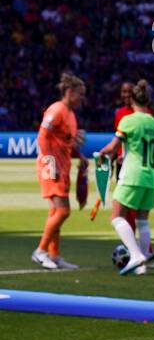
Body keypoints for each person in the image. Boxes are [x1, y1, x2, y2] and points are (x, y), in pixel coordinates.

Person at [96, 80, 154, 276]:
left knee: (117, 216)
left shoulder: (128, 120)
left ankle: (135, 256)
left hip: (132, 173)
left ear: (132, 99)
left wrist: (101, 154)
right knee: (142, 220)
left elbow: (113, 148)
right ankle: (141, 264)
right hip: (150, 176)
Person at [33, 72, 86, 270]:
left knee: (56, 212)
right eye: (80, 94)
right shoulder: (56, 110)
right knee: (63, 211)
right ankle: (40, 251)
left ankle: (54, 255)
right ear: (69, 92)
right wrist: (49, 163)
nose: (82, 99)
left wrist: (80, 157)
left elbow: (64, 143)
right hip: (51, 167)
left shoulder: (71, 114)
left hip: (63, 167)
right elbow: (42, 137)